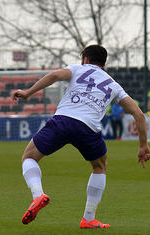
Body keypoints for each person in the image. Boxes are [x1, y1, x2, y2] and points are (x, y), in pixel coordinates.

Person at [13, 45, 150, 229]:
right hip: (88, 129)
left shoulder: (78, 69)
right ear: (103, 63)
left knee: (29, 157)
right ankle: (88, 218)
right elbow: (139, 115)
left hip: (63, 121)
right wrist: (143, 146)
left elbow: (54, 76)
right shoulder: (113, 85)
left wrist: (28, 93)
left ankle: (38, 196)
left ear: (85, 59)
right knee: (100, 166)